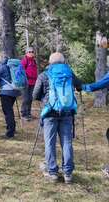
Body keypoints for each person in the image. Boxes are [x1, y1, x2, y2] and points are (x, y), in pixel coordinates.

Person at [33, 52, 82, 184]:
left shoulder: (44, 75)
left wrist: (44, 99)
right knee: (67, 142)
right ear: (63, 61)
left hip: (49, 113)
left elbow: (35, 95)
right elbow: (80, 85)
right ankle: (68, 174)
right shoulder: (69, 73)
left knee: (50, 142)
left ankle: (53, 172)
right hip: (67, 113)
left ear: (50, 62)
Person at [21, 47, 38, 121]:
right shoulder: (25, 60)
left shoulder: (34, 61)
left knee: (30, 98)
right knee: (26, 98)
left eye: (32, 51)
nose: (31, 53)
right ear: (26, 53)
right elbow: (21, 71)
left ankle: (28, 113)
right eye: (29, 52)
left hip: (33, 82)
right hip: (26, 82)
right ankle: (24, 114)